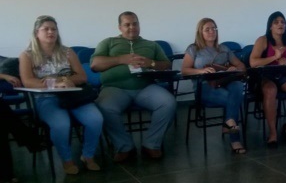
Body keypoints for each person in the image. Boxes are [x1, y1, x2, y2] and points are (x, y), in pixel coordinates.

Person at [19, 15, 104, 174]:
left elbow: (82, 77)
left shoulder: (68, 52)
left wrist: (67, 80)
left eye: (54, 29)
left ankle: (88, 156)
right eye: (46, 29)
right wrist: (55, 84)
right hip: (46, 98)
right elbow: (28, 81)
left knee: (95, 119)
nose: (51, 32)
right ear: (37, 33)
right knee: (61, 124)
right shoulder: (27, 55)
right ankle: (67, 160)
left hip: (73, 96)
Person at [91, 11, 177, 162]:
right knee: (104, 106)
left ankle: (151, 144)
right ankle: (125, 147)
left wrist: (151, 63)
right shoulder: (108, 42)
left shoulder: (151, 45)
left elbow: (167, 65)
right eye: (127, 24)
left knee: (168, 102)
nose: (132, 27)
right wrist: (120, 59)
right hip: (114, 88)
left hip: (145, 87)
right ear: (120, 27)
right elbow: (95, 65)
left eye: (135, 23)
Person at [182, 18, 247, 154]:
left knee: (237, 85)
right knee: (232, 99)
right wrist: (201, 71)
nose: (212, 31)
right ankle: (235, 139)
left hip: (224, 82)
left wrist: (234, 68)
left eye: (214, 28)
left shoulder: (223, 48)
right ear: (200, 32)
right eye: (207, 29)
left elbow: (241, 66)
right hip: (204, 87)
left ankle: (229, 123)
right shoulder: (193, 49)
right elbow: (184, 70)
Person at [249, 11, 286, 147]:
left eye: (282, 22)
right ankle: (273, 133)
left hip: (283, 75)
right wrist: (274, 58)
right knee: (270, 91)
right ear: (270, 26)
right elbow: (253, 62)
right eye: (276, 22)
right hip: (265, 75)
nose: (280, 24)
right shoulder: (262, 40)